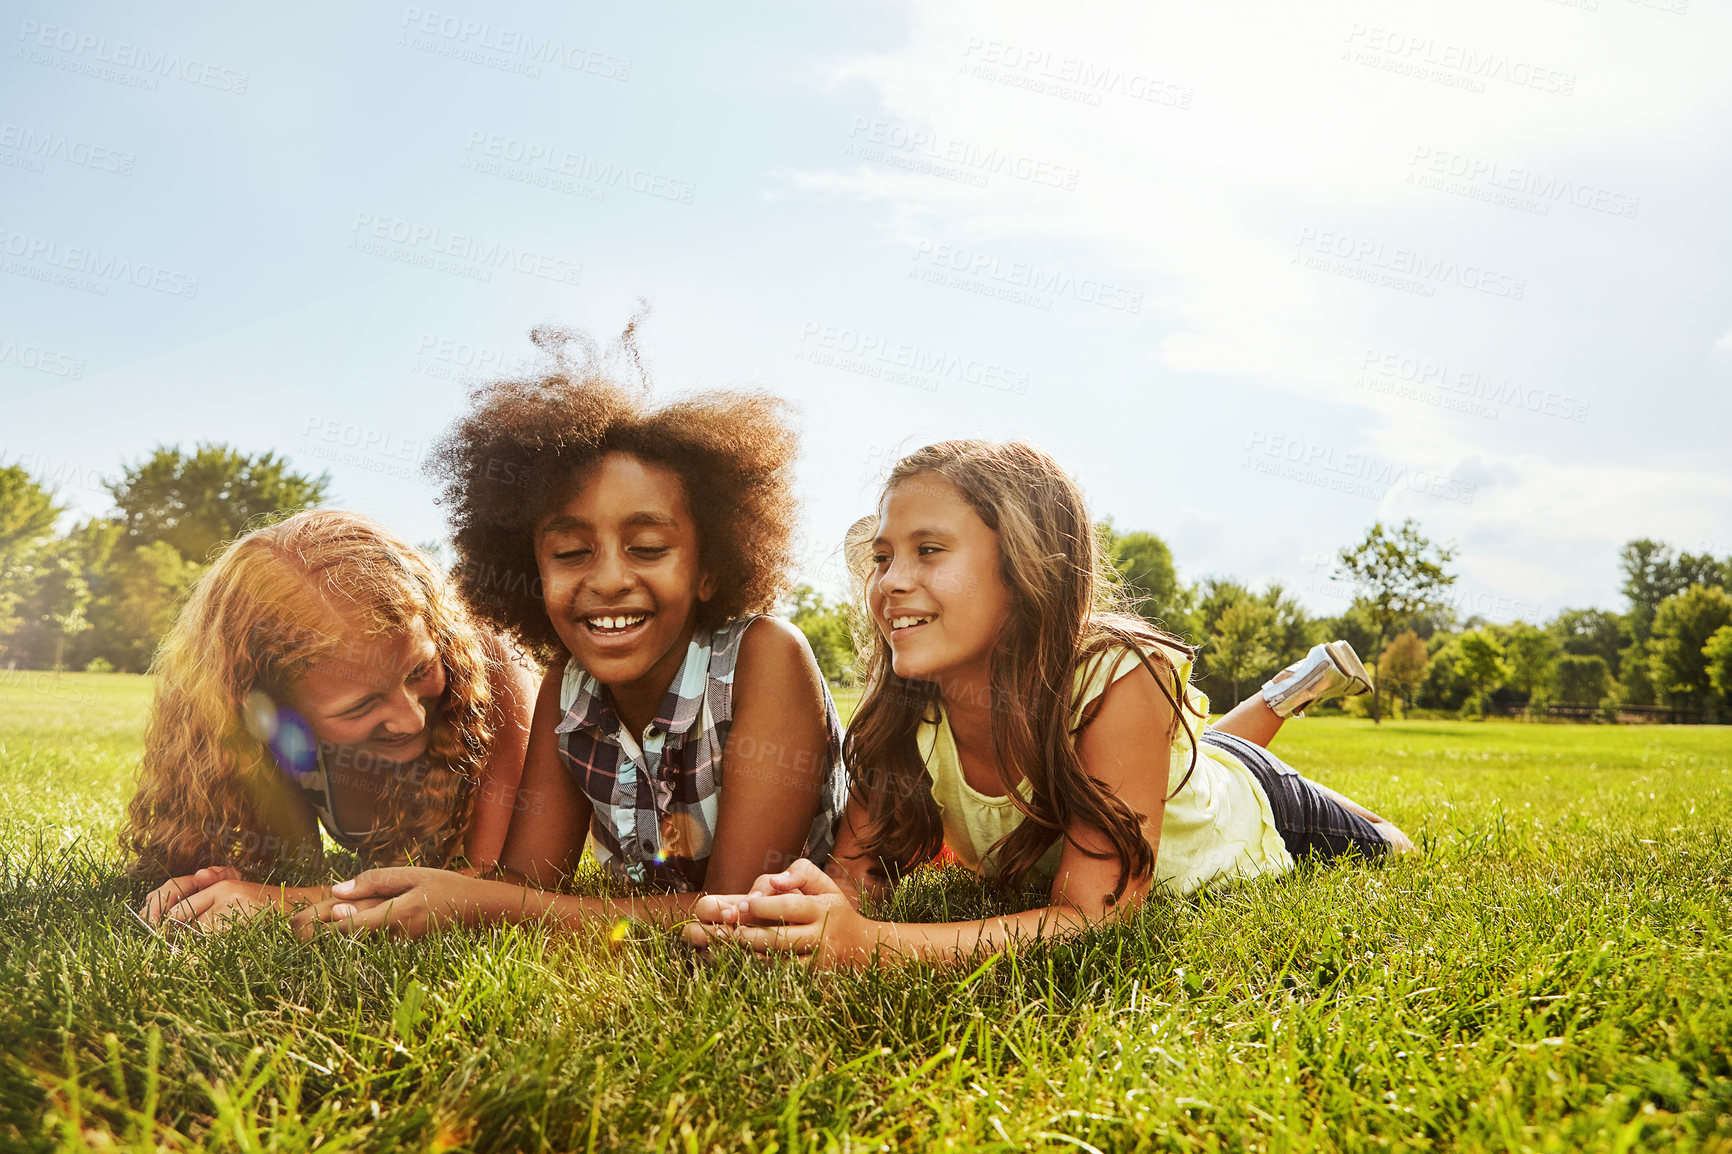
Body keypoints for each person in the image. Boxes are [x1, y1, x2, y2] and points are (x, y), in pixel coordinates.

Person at [686, 440, 1413, 967]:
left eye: (930, 550)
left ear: (1025, 565)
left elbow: (1094, 919)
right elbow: (853, 880)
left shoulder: (1121, 674)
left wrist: (869, 945)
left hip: (1259, 806)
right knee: (1188, 756)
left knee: (1389, 846)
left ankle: (1295, 687)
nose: (890, 581)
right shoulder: (909, 707)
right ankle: (1292, 685)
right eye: (882, 557)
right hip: (1162, 769)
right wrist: (786, 908)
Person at [290, 326, 847, 938]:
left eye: (648, 547)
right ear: (530, 569)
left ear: (710, 568)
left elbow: (736, 913)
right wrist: (325, 903)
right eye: (572, 552)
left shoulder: (765, 657)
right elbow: (527, 885)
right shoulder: (568, 689)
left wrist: (488, 907)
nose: (608, 579)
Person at [125, 508, 537, 929]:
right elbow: (291, 870)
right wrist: (216, 885)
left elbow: (494, 883)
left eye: (420, 671)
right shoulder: (270, 732)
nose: (411, 719)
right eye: (360, 706)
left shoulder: (492, 665)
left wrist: (276, 902)